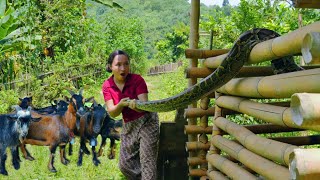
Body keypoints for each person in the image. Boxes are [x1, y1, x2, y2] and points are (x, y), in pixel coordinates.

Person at [102, 50, 159, 180]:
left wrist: (137, 105)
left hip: (147, 121)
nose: (123, 68)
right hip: (129, 123)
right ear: (111, 66)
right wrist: (121, 105)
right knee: (124, 165)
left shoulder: (137, 80)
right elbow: (112, 112)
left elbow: (145, 106)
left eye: (126, 64)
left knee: (147, 160)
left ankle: (149, 176)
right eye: (118, 64)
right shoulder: (107, 86)